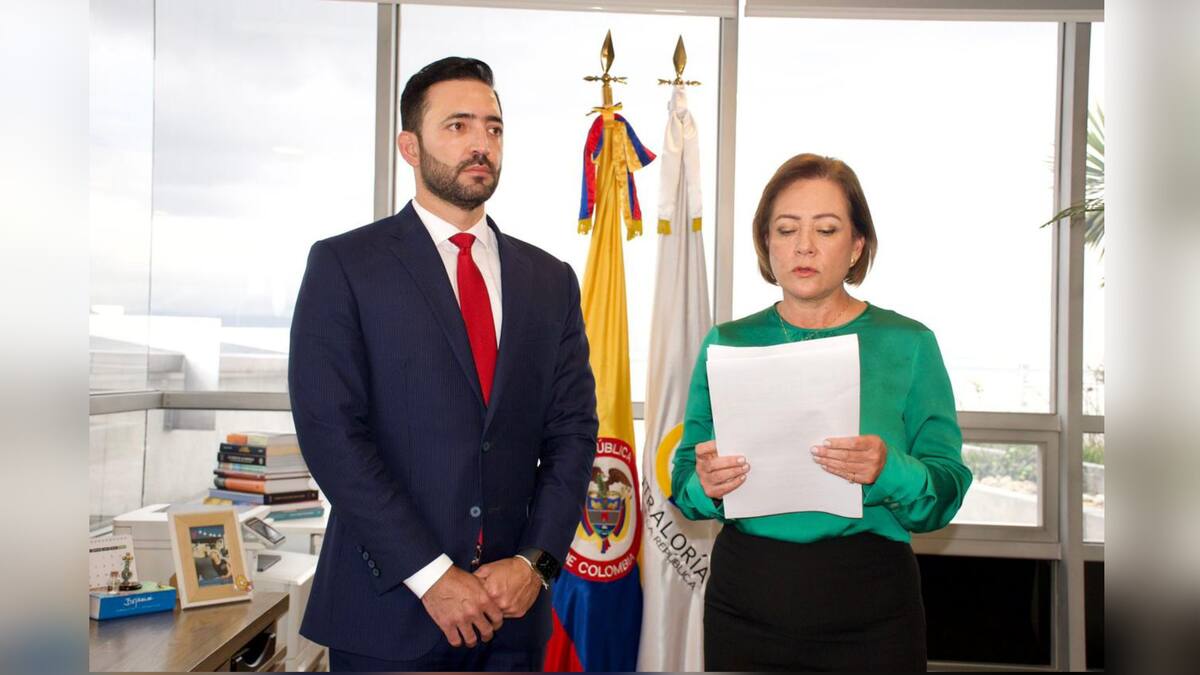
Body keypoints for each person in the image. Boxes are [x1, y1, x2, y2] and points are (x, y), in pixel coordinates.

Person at [288, 57, 598, 672]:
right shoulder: (345, 265)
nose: (481, 143)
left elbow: (573, 432)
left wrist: (535, 562)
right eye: (458, 126)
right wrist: (430, 575)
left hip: (513, 615)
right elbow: (331, 435)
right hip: (387, 616)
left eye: (493, 128)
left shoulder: (550, 279)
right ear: (410, 146)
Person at [671, 153, 973, 671]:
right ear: (767, 243)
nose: (804, 246)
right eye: (786, 230)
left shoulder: (909, 343)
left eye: (826, 229)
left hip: (872, 608)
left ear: (856, 246)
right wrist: (707, 484)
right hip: (745, 602)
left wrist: (888, 470)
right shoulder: (727, 342)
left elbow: (945, 490)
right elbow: (684, 482)